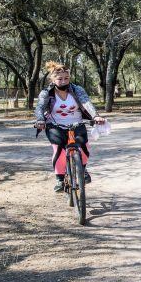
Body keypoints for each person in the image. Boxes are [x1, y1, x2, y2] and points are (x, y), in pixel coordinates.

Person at [34, 61, 106, 192]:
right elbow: (40, 107)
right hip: (55, 125)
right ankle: (60, 179)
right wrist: (40, 120)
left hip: (76, 123)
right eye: (59, 79)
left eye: (66, 78)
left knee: (84, 147)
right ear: (53, 79)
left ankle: (82, 170)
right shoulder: (46, 93)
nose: (63, 81)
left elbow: (86, 102)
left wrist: (95, 116)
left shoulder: (77, 89)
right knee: (59, 150)